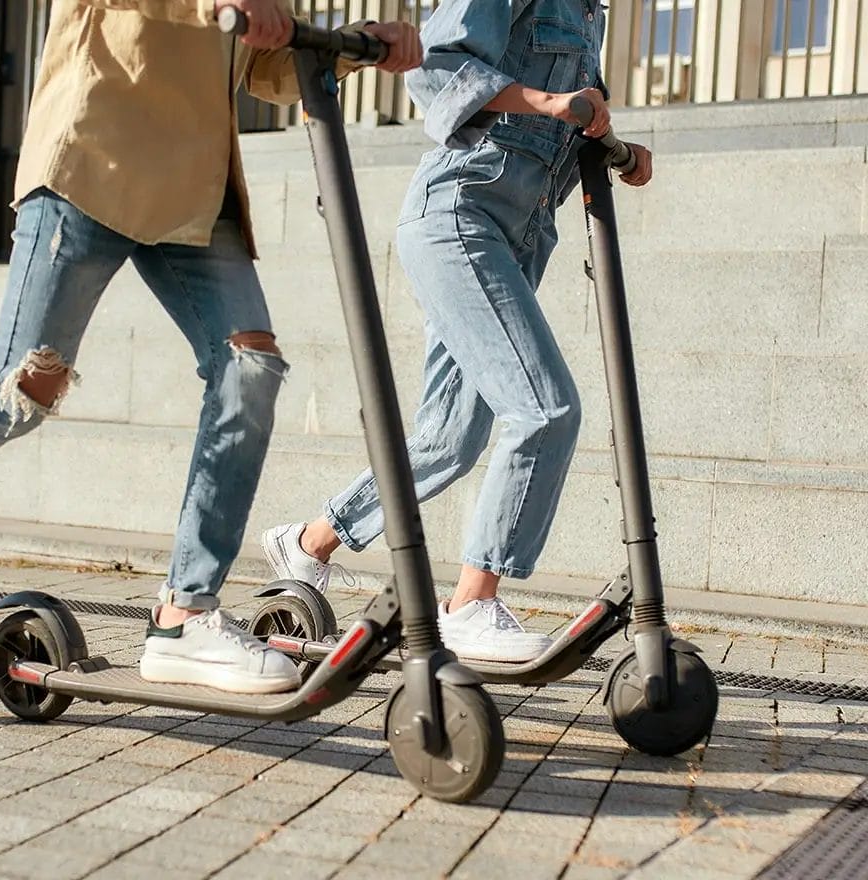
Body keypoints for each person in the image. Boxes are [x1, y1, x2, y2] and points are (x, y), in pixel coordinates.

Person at [0, 0, 421, 694]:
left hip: (193, 187)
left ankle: (185, 614)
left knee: (250, 369)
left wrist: (354, 47)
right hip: (91, 160)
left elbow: (263, 63)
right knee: (17, 391)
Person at [262, 0, 652, 662]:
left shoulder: (589, 16)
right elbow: (436, 64)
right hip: (459, 214)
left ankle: (308, 545)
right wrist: (551, 102)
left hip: (518, 236)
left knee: (448, 437)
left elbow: (571, 109)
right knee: (546, 410)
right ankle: (470, 604)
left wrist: (615, 145)